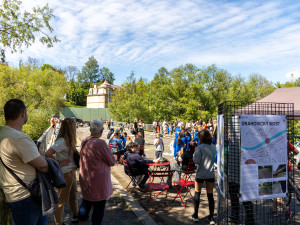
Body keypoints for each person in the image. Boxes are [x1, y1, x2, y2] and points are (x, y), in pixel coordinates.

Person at [0, 99, 49, 225]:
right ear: (23, 114)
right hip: (26, 197)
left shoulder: (3, 133)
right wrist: (40, 154)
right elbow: (43, 166)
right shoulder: (18, 138)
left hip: (12, 194)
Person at [78, 120, 116, 225]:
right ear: (102, 130)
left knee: (85, 203)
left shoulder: (85, 140)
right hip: (98, 182)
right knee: (99, 207)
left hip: (86, 178)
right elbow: (112, 161)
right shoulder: (100, 143)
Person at [45, 118, 79, 225]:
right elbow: (48, 153)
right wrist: (59, 163)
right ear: (70, 128)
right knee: (62, 200)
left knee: (73, 195)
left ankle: (76, 216)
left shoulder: (69, 140)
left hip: (71, 171)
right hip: (65, 173)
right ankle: (58, 223)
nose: (75, 127)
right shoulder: (62, 141)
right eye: (74, 125)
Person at [192, 130, 216, 224]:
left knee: (197, 193)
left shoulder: (200, 147)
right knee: (210, 195)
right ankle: (211, 218)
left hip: (201, 173)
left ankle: (196, 215)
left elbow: (196, 161)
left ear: (201, 138)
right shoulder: (214, 147)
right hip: (210, 173)